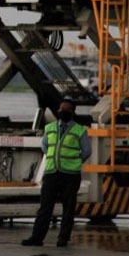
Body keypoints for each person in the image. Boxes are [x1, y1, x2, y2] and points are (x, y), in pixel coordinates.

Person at [21, 98, 91, 248]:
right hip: (52, 172)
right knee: (45, 207)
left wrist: (73, 162)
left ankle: (63, 239)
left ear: (72, 112)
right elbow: (45, 147)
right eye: (61, 109)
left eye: (66, 110)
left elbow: (86, 151)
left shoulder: (80, 130)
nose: (62, 112)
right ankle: (37, 237)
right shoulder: (50, 128)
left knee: (68, 209)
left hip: (70, 175)